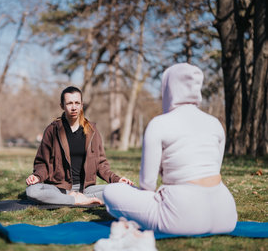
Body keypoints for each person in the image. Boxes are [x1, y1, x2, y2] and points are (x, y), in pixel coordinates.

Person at [103, 63, 238, 235]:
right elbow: (213, 172)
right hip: (226, 215)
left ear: (169, 89)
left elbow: (147, 184)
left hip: (181, 218)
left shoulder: (159, 124)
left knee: (111, 191)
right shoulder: (215, 124)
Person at [26, 86, 133, 205]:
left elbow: (101, 164)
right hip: (60, 189)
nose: (73, 107)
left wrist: (117, 180)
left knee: (126, 190)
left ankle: (81, 198)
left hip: (86, 189)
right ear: (62, 106)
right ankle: (75, 200)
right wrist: (37, 176)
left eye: (77, 103)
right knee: (32, 191)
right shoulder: (53, 130)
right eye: (69, 103)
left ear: (82, 105)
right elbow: (42, 163)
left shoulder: (92, 131)